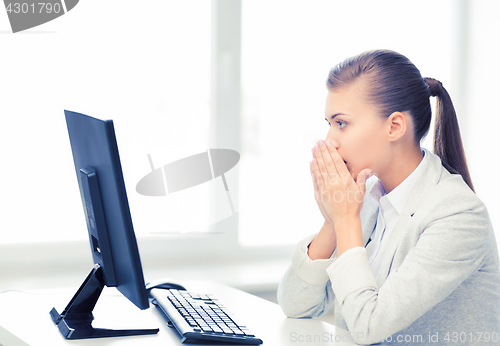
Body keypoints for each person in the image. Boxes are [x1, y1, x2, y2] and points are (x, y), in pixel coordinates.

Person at [277, 49, 500, 345]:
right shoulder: (367, 197)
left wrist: (345, 220)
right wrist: (332, 222)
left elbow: (369, 328)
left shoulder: (458, 215)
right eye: (329, 123)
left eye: (341, 123)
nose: (330, 140)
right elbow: (296, 306)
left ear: (394, 126)